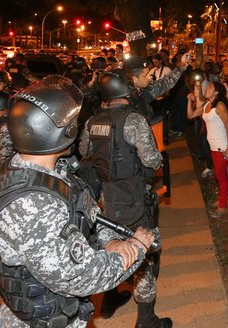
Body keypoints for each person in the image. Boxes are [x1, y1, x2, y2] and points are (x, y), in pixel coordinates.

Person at [0, 75, 154, 327]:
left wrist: (111, 241)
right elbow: (82, 276)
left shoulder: (43, 172)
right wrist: (137, 247)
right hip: (40, 321)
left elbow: (86, 213)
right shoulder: (33, 206)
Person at [79, 69, 170, 327]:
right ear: (128, 91)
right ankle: (146, 320)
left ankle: (108, 302)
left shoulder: (91, 121)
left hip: (100, 199)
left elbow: (85, 151)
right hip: (131, 200)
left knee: (108, 248)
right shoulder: (134, 121)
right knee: (142, 258)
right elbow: (151, 159)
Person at [187, 81, 228, 218]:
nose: (207, 88)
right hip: (212, 146)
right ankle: (221, 199)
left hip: (221, 146)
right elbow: (190, 115)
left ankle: (222, 205)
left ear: (216, 92)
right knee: (218, 175)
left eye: (211, 87)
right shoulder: (207, 105)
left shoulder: (220, 106)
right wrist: (190, 101)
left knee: (221, 176)